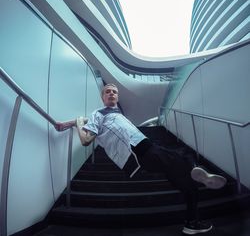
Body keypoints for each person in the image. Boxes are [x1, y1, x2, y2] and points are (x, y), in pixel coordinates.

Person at [55, 83, 227, 235]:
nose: (112, 94)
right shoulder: (98, 114)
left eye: (114, 92)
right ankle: (195, 169)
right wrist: (77, 123)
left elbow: (93, 119)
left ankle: (192, 223)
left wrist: (67, 123)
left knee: (189, 188)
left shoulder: (113, 114)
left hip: (147, 149)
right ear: (103, 97)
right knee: (182, 155)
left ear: (117, 96)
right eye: (108, 91)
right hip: (140, 151)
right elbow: (86, 140)